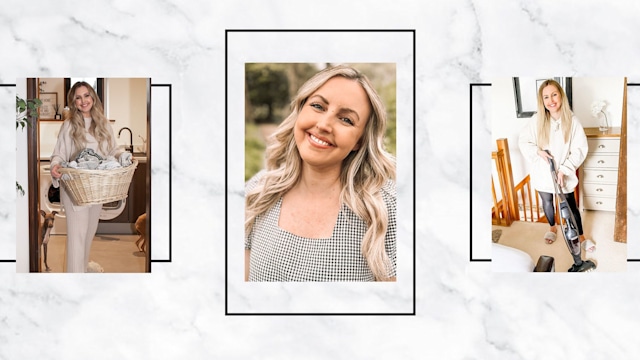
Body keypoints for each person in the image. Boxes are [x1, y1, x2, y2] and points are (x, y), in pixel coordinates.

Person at [245, 65, 397, 281]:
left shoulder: (387, 210)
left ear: (359, 141)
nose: (324, 125)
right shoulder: (257, 192)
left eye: (346, 119)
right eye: (318, 106)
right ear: (300, 111)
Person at [50, 81, 129, 272]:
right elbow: (59, 154)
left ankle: (82, 270)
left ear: (93, 97)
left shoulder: (103, 124)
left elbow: (113, 150)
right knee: (77, 237)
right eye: (78, 97)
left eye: (86, 95)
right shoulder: (69, 125)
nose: (83, 101)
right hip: (75, 188)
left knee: (88, 235)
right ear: (73, 102)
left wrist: (123, 156)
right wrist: (55, 165)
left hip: (95, 188)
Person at [519, 79, 595, 253]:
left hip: (563, 173)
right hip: (543, 171)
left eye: (554, 95)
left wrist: (564, 170)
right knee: (547, 201)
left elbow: (579, 149)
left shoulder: (572, 121)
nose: (551, 100)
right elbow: (524, 141)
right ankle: (552, 228)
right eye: (546, 97)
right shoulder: (536, 120)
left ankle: (581, 237)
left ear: (561, 95)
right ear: (542, 100)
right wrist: (538, 152)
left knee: (570, 205)